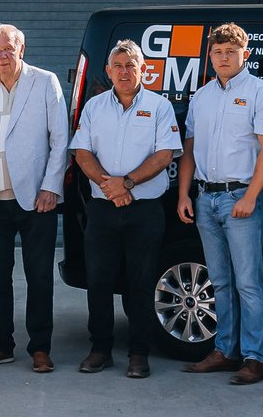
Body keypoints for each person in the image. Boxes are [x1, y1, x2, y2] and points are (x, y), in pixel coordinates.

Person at [175, 22, 263, 385]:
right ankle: (224, 351)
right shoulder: (202, 96)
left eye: (231, 52)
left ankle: (255, 358)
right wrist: (184, 195)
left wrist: (251, 196)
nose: (224, 58)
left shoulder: (262, 95)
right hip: (205, 198)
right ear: (210, 56)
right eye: (218, 52)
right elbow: (189, 150)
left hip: (241, 197)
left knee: (249, 283)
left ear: (245, 54)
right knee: (220, 281)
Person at [0, 23, 70, 374]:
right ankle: (1, 345)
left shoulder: (45, 82)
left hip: (37, 198)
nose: (2, 56)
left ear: (21, 48)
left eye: (8, 49)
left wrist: (51, 186)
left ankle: (40, 348)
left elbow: (60, 139)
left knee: (39, 275)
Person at [69, 40, 180, 377]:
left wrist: (127, 183)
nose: (124, 71)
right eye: (118, 65)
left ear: (143, 69)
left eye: (131, 65)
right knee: (99, 280)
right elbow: (81, 152)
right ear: (108, 71)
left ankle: (138, 353)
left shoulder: (160, 107)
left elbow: (165, 154)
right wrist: (110, 186)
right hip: (103, 208)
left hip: (144, 209)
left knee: (142, 282)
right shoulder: (94, 107)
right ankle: (100, 349)